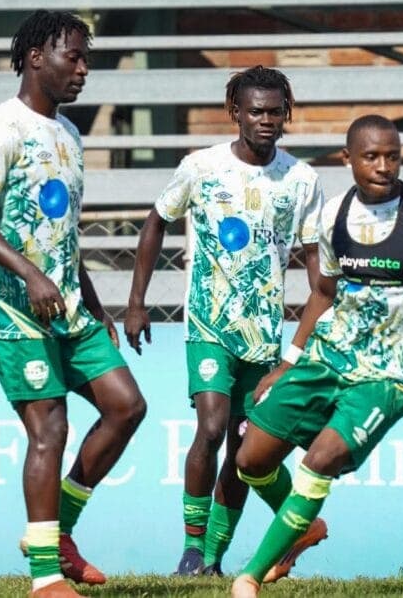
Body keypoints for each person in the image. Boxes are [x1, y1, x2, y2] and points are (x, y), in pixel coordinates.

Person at [229, 115, 403, 597]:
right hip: (329, 357)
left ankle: (249, 577)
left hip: (389, 373)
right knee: (250, 459)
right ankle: (301, 528)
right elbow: (322, 294)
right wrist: (289, 360)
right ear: (348, 159)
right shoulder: (333, 216)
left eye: (393, 156)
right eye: (371, 156)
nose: (384, 166)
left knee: (319, 462)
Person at [0, 9, 147, 598]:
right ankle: (44, 577)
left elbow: (62, 232)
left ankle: (56, 531)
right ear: (37, 57)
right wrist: (32, 276)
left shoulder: (69, 133)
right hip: (12, 310)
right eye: (75, 56)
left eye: (87, 58)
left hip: (65, 309)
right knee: (51, 427)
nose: (84, 69)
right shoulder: (1, 129)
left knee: (126, 406)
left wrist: (93, 305)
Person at [124, 66, 324, 577]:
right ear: (235, 111)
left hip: (264, 339)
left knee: (241, 449)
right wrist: (137, 299)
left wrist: (304, 337)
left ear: (287, 115)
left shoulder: (301, 180)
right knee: (211, 428)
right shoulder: (201, 166)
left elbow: (316, 270)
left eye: (275, 112)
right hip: (209, 327)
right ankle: (191, 548)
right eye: (255, 111)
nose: (265, 120)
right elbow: (156, 221)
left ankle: (212, 561)